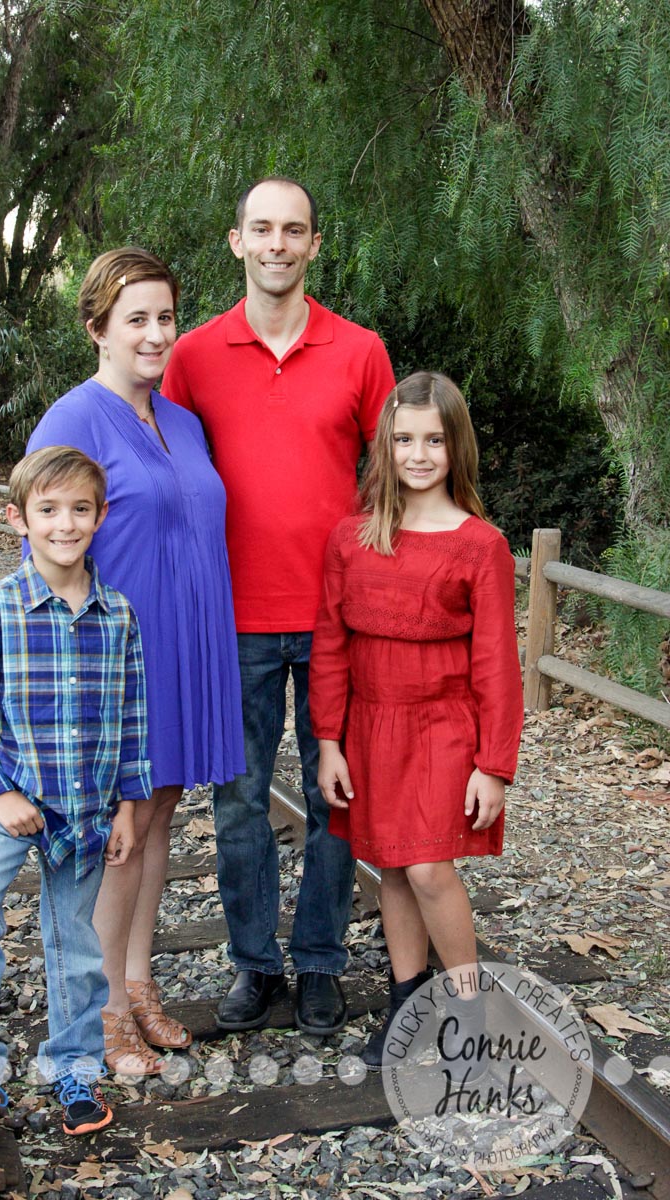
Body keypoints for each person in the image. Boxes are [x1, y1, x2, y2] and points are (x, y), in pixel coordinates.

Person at [162, 177, 396, 1035]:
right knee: (237, 803)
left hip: (340, 619)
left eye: (293, 231)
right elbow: (169, 479)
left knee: (339, 799)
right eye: (261, 229)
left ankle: (323, 963)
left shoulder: (361, 351)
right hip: (232, 620)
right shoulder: (192, 356)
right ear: (237, 241)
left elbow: (394, 476)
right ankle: (256, 965)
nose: (277, 244)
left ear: (314, 245)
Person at [26, 248, 244, 1075]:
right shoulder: (72, 421)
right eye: (136, 320)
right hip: (120, 659)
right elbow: (45, 548)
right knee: (122, 828)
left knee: (159, 815)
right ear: (97, 329)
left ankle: (137, 979)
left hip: (187, 648)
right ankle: (102, 1007)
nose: (156, 335)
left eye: (166, 317)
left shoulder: (182, 421)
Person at [0, 446, 150, 1147]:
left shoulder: (118, 615)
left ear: (100, 516)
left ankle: (74, 1068)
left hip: (87, 810)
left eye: (80, 509)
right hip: (13, 802)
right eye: (48, 510)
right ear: (17, 519)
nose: (65, 524)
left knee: (73, 940)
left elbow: (133, 720)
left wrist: (128, 806)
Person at [309, 371, 524, 1066]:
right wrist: (329, 741)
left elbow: (498, 663)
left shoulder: (480, 545)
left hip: (442, 726)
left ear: (456, 446)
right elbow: (330, 644)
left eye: (434, 440)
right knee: (393, 868)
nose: (419, 454)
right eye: (404, 439)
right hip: (371, 726)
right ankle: (408, 1005)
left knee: (429, 867)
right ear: (385, 446)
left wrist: (494, 765)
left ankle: (469, 1010)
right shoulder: (351, 538)